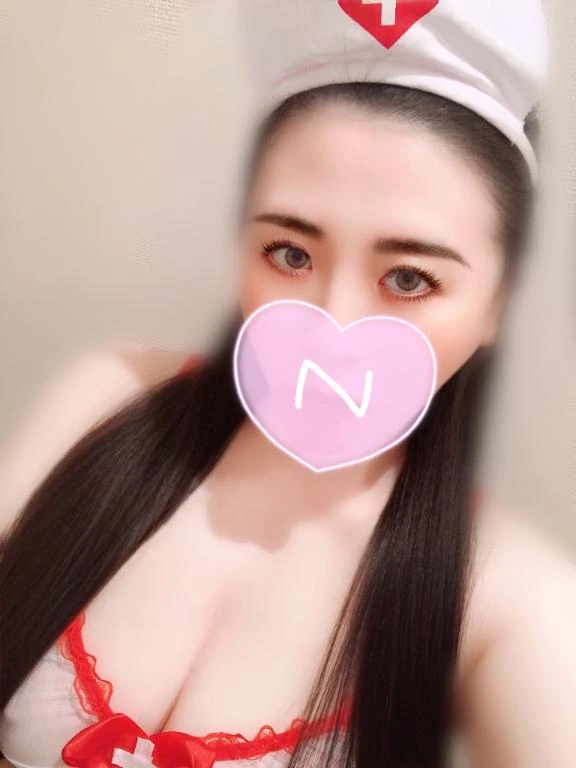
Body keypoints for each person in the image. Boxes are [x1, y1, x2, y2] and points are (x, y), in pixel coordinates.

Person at [1, 1, 575, 767]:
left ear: (498, 302)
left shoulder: (510, 604)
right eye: (290, 255)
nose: (331, 329)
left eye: (409, 278)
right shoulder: (107, 398)